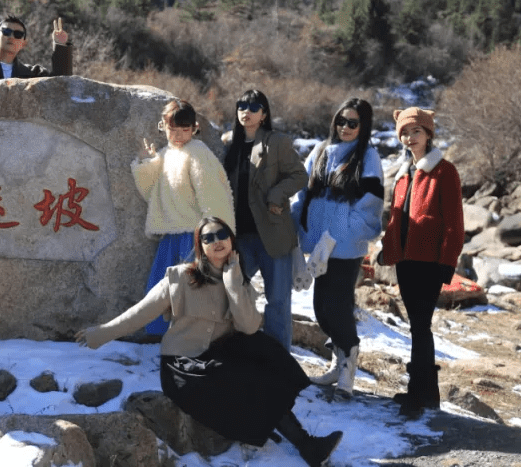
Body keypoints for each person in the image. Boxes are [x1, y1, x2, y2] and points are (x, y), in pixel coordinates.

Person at [76, 217, 342, 467]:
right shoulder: (179, 277)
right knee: (241, 378)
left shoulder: (240, 280)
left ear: (231, 239)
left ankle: (305, 444)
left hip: (217, 355)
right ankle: (292, 438)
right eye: (208, 237)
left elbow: (249, 326)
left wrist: (233, 284)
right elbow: (140, 313)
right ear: (200, 247)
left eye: (222, 234)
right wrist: (101, 333)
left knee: (264, 350)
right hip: (182, 366)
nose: (217, 240)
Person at [292, 97, 384, 397]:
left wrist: (343, 232)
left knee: (338, 307)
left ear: (363, 126)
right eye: (341, 121)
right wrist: (295, 224)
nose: (345, 127)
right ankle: (337, 361)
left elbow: (371, 204)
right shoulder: (320, 151)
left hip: (344, 246)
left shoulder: (368, 157)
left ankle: (348, 367)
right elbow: (303, 194)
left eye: (353, 123)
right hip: (319, 244)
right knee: (321, 309)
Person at [379, 107, 463, 418]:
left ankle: (420, 394)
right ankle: (426, 393)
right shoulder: (403, 176)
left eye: (416, 131)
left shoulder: (445, 172)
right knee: (416, 327)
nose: (409, 138)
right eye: (404, 132)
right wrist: (386, 250)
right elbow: (395, 221)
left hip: (429, 262)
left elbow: (454, 223)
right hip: (406, 261)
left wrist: (447, 262)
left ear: (428, 135)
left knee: (420, 327)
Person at [132, 99, 234, 335]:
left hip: (195, 235)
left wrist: (216, 237)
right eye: (172, 129)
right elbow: (152, 192)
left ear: (194, 129)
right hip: (171, 233)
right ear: (163, 127)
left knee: (194, 291)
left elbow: (213, 196)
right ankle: (165, 337)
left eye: (184, 130)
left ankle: (193, 339)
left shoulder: (198, 153)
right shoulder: (169, 153)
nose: (178, 135)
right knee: (163, 288)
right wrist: (149, 161)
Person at [222, 89, 305, 350]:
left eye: (254, 107)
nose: (247, 111)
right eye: (242, 106)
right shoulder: (228, 145)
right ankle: (233, 350)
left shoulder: (277, 142)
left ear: (264, 114)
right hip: (237, 237)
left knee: (278, 302)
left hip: (273, 233)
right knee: (229, 294)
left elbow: (299, 176)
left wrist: (277, 194)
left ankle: (278, 360)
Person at [0, 15, 72, 80]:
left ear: (23, 43)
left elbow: (61, 84)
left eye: (18, 34)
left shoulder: (34, 74)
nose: (11, 37)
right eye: (6, 32)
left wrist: (60, 46)